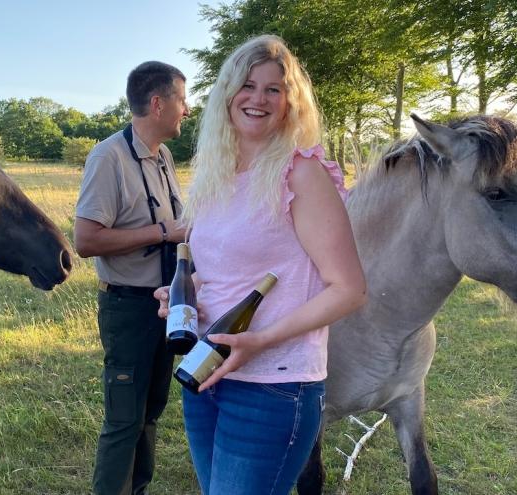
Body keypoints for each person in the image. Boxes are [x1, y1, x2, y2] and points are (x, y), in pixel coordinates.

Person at [155, 35, 367, 495]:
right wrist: (182, 297)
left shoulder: (302, 173)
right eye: (247, 85)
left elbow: (348, 288)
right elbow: (217, 271)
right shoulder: (217, 173)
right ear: (227, 94)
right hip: (206, 369)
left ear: (291, 103)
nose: (258, 98)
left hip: (273, 387)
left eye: (274, 89)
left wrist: (262, 340)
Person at [74, 61, 190, 495]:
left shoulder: (163, 156)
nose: (188, 108)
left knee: (151, 411)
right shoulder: (109, 156)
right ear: (158, 103)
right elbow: (85, 240)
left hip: (166, 304)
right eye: (182, 98)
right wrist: (165, 232)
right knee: (124, 419)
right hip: (128, 307)